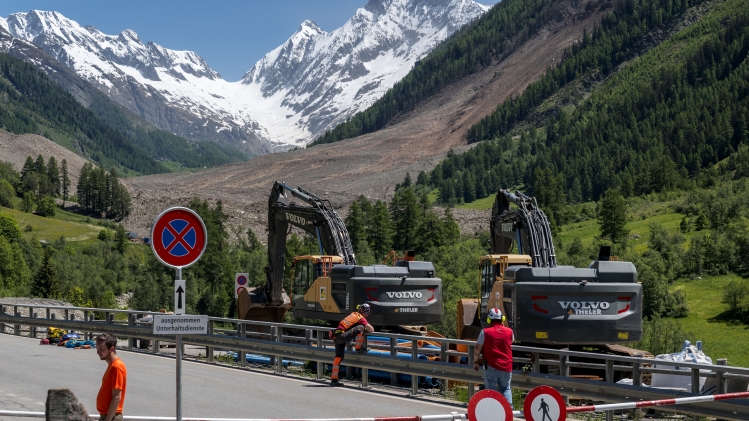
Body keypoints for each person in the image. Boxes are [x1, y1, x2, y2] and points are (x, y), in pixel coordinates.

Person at [473, 307, 514, 408]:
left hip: (491, 366)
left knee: (490, 390)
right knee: (505, 388)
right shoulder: (510, 331)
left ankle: (493, 410)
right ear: (502, 319)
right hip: (506, 366)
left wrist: (475, 362)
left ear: (489, 319)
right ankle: (509, 409)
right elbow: (511, 341)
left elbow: (477, 348)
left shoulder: (485, 332)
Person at [329, 303, 374, 386]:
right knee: (361, 327)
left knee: (338, 357)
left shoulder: (353, 315)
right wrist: (364, 327)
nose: (367, 314)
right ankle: (358, 349)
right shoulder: (359, 317)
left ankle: (334, 380)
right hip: (342, 336)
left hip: (337, 336)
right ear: (362, 311)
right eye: (367, 312)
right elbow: (371, 329)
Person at [96, 333, 127, 421]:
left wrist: (108, 419)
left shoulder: (116, 366)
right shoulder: (112, 365)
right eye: (97, 348)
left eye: (101, 349)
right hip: (107, 416)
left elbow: (117, 397)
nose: (98, 352)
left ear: (111, 349)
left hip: (111, 417)